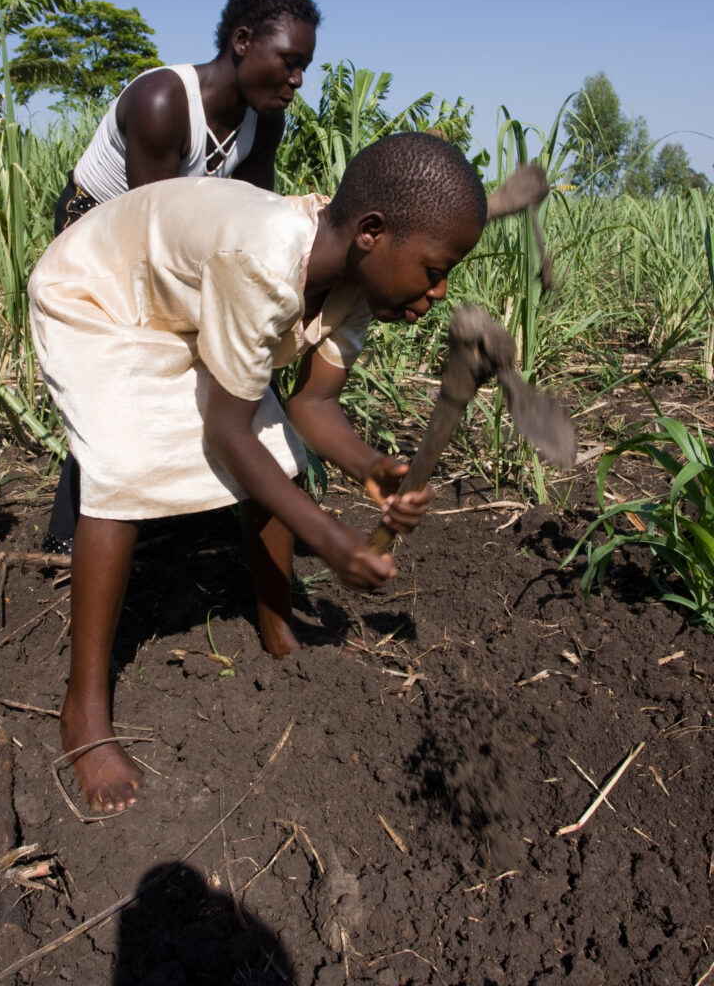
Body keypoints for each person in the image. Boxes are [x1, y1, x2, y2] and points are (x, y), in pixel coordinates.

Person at [28, 131, 488, 813]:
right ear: (372, 232)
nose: (440, 289)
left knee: (279, 459)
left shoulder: (353, 285)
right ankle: (84, 713)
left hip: (181, 301)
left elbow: (312, 403)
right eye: (434, 267)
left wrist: (370, 465)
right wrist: (333, 541)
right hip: (99, 293)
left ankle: (278, 628)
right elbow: (226, 431)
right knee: (121, 469)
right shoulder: (264, 258)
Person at [43, 0, 321, 553]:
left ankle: (217, 488)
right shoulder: (163, 102)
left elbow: (252, 216)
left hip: (177, 238)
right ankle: (75, 521)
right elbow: (152, 234)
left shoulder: (264, 121)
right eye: (289, 62)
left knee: (228, 344)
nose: (297, 81)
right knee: (121, 363)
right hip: (98, 232)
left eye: (305, 67)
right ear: (242, 41)